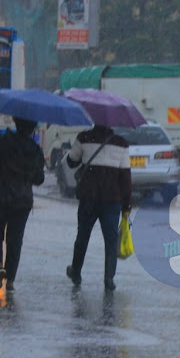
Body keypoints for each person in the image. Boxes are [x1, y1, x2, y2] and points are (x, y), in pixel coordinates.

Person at [0, 117, 45, 293]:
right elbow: (39, 179)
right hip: (22, 202)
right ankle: (10, 281)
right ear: (32, 128)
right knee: (15, 240)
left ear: (15, 123)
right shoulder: (35, 150)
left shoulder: (2, 142)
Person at [65, 124, 132, 291]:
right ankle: (109, 278)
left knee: (83, 236)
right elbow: (125, 177)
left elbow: (71, 162)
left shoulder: (84, 138)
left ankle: (76, 272)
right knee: (110, 241)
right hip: (112, 199)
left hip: (89, 197)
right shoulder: (121, 143)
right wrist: (127, 204)